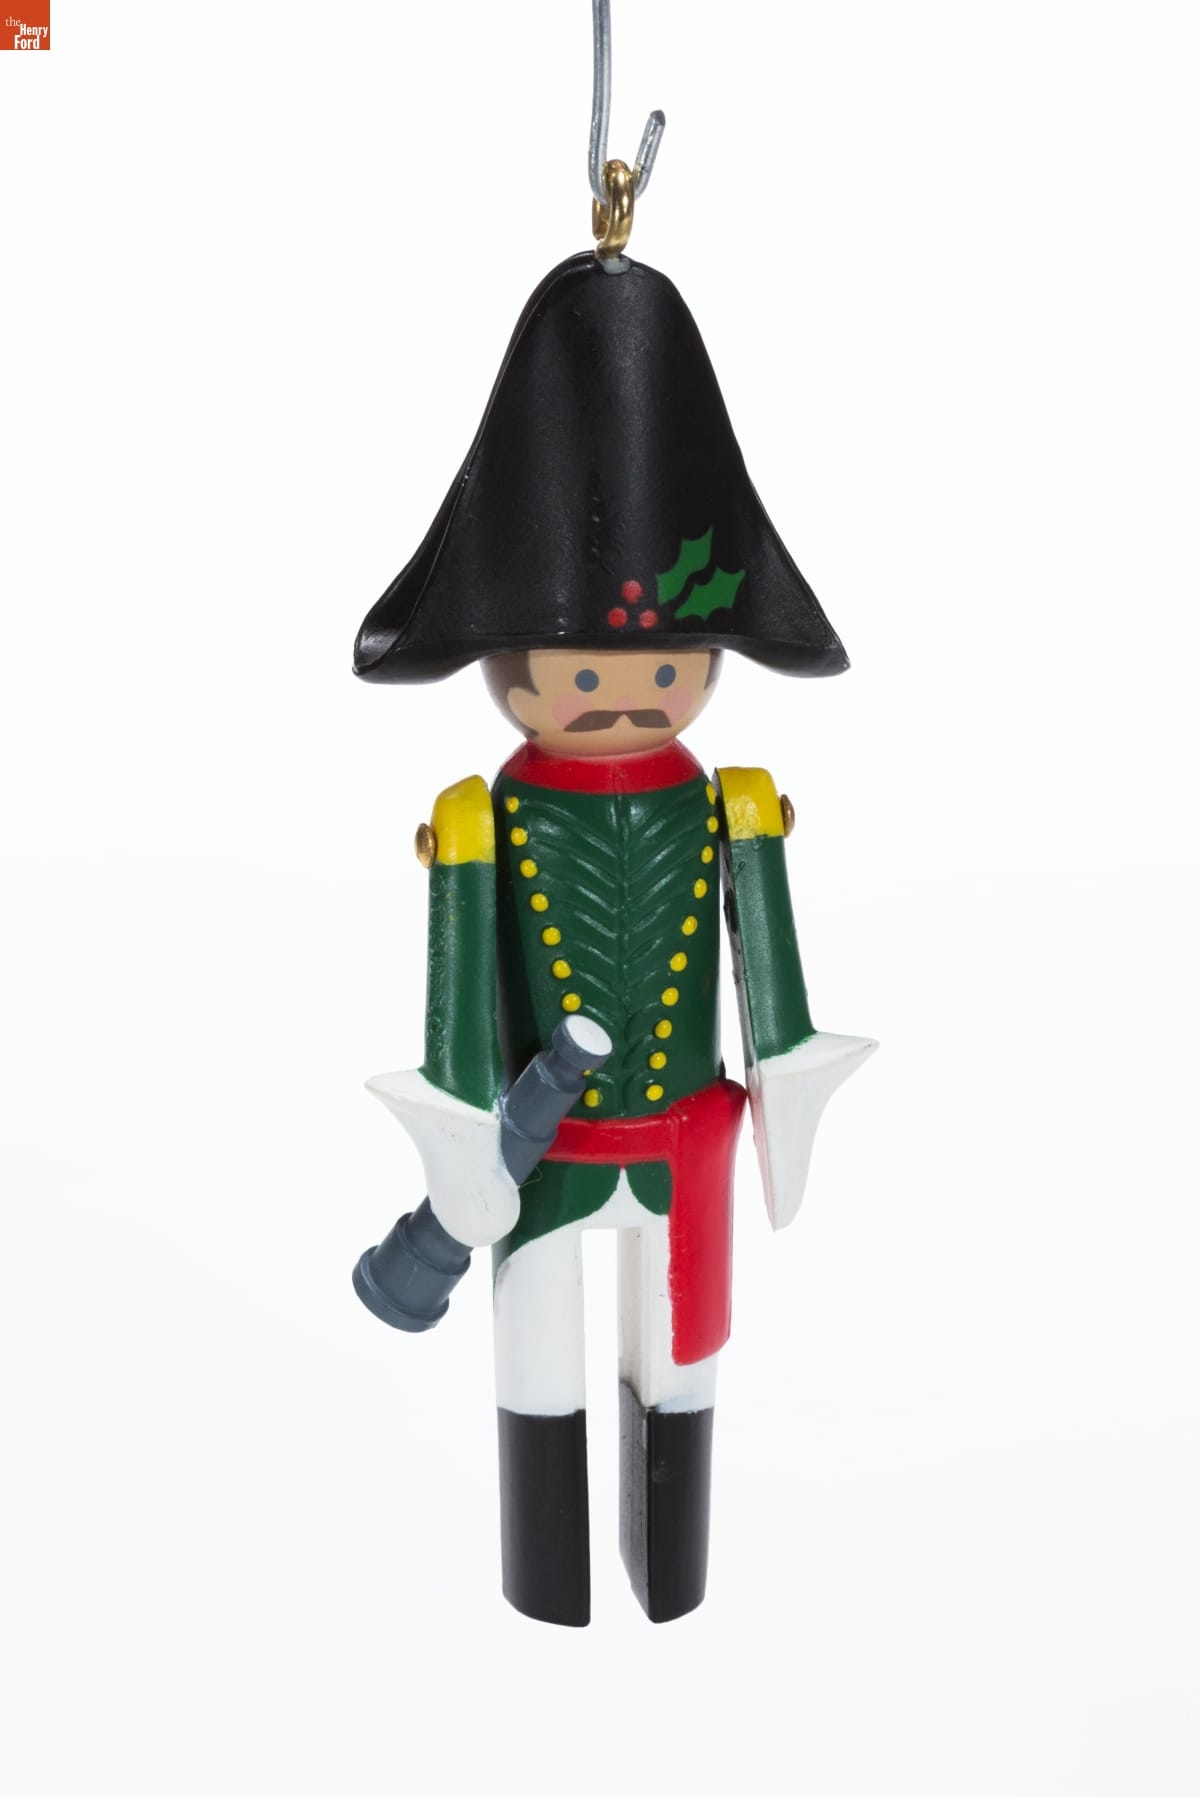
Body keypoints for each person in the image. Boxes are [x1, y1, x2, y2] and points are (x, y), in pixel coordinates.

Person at [354, 251, 875, 1626]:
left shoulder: (729, 803)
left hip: (686, 1144)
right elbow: (460, 1001)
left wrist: (787, 1085)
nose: (621, 696)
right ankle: (548, 1582)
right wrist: (464, 1138)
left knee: (681, 1368)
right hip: (542, 1163)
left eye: (656, 669)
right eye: (581, 671)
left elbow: (773, 989)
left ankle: (669, 1568)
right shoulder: (483, 820)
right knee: (538, 1364)